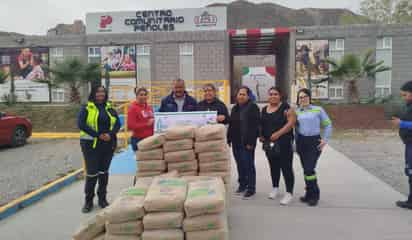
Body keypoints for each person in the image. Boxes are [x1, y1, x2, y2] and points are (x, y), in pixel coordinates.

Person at [78, 86, 120, 213]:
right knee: (92, 173)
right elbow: (81, 124)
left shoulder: (110, 108)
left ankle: (102, 199)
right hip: (91, 145)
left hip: (108, 144)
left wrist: (110, 134)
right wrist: (98, 135)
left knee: (103, 173)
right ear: (93, 94)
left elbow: (117, 123)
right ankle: (88, 201)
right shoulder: (86, 108)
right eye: (98, 92)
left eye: (103, 92)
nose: (100, 94)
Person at [295, 88, 332, 206]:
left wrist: (325, 139)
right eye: (300, 97)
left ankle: (315, 195)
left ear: (309, 97)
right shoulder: (296, 112)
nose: (303, 99)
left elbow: (328, 124)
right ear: (298, 99)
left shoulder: (318, 110)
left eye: (305, 96)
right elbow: (293, 128)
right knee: (306, 169)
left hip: (313, 142)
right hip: (301, 142)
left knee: (309, 169)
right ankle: (308, 194)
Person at [260, 87, 296, 205]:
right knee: (273, 166)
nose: (273, 96)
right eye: (271, 94)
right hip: (270, 144)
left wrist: (278, 134)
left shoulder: (286, 108)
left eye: (276, 94)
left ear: (280, 96)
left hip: (284, 143)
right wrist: (261, 135)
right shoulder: (265, 109)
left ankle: (289, 193)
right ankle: (275, 187)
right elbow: (262, 124)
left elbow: (291, 123)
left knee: (286, 167)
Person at [228, 86, 260, 199]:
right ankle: (242, 184)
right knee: (240, 164)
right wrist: (228, 139)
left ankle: (251, 188)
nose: (241, 96)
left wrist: (251, 142)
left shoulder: (253, 107)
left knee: (248, 165)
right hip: (236, 142)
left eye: (243, 94)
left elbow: (255, 126)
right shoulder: (235, 108)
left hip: (247, 142)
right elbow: (231, 125)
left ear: (248, 96)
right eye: (239, 94)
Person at [391, 81, 412, 210]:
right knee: (409, 172)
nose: (403, 97)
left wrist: (402, 123)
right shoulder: (409, 105)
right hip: (409, 144)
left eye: (405, 95)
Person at [127, 87, 154, 152]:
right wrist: (146, 124)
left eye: (145, 94)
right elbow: (130, 126)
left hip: (150, 139)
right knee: (141, 162)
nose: (143, 96)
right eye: (141, 95)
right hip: (138, 139)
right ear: (137, 96)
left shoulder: (149, 108)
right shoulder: (133, 108)